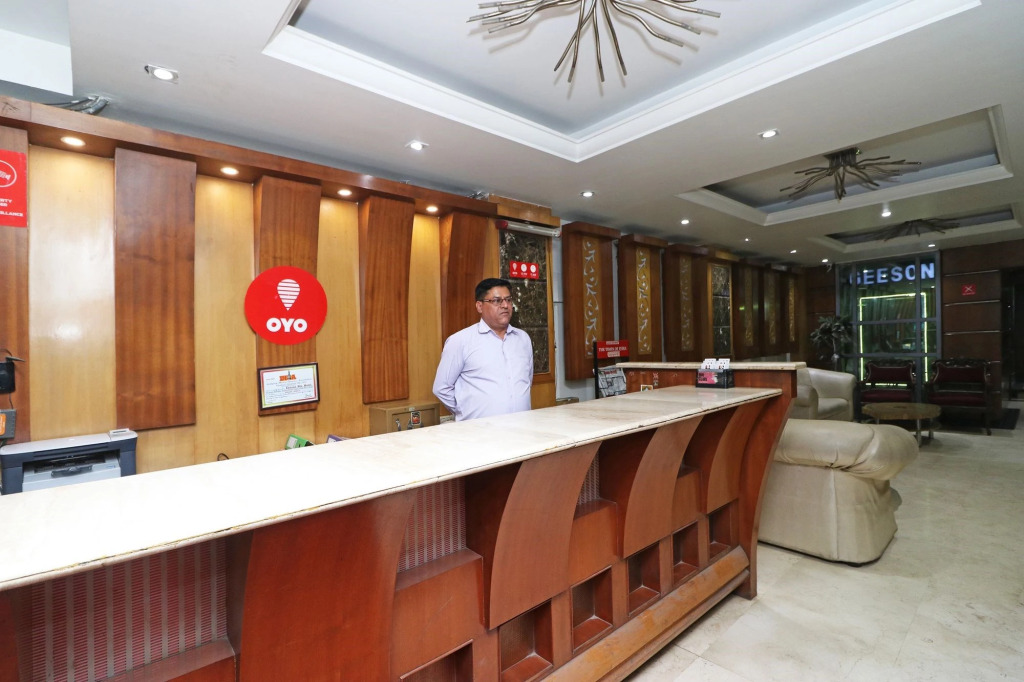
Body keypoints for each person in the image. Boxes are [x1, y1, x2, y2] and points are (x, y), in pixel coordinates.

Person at [432, 277, 534, 421]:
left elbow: (527, 380)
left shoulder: (523, 339)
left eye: (508, 300)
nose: (505, 305)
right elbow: (441, 388)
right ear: (480, 306)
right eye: (497, 301)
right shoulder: (460, 341)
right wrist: (466, 411)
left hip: (522, 427)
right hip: (479, 430)